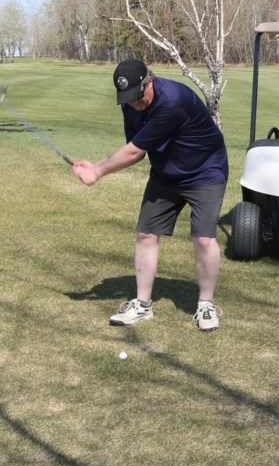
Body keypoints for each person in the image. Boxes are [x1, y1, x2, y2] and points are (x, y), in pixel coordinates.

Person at [72, 59, 229, 332]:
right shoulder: (130, 104)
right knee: (146, 234)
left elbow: (134, 151)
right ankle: (142, 305)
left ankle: (206, 304)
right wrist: (97, 166)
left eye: (138, 95)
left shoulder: (174, 101)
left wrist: (96, 171)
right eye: (128, 99)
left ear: (150, 80)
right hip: (165, 173)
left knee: (203, 238)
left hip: (205, 171)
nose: (135, 103)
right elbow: (136, 147)